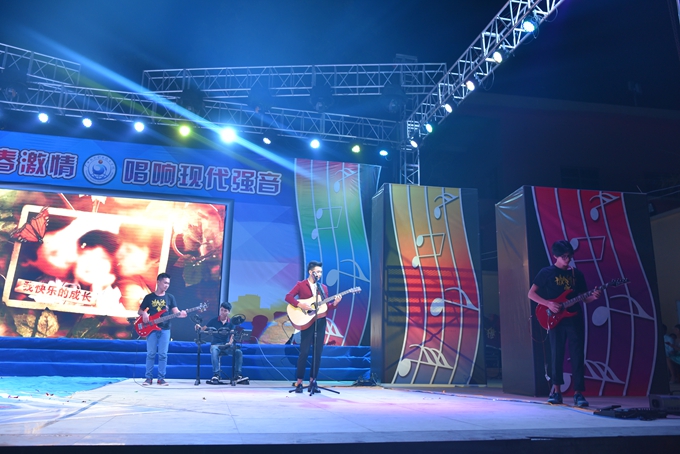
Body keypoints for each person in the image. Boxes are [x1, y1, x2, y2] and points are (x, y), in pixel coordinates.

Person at [528, 240, 601, 407]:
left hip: (574, 318)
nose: (567, 260)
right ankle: (557, 391)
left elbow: (585, 298)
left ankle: (578, 393)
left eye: (569, 256)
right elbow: (531, 293)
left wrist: (594, 296)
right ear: (555, 256)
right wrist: (548, 304)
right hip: (555, 319)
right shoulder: (546, 272)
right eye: (564, 257)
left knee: (577, 354)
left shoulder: (576, 274)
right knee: (556, 354)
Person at [285, 261, 341, 393]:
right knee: (304, 352)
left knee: (317, 353)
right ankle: (299, 382)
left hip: (320, 322)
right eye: (318, 271)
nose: (320, 274)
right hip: (307, 321)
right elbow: (288, 297)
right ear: (311, 272)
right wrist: (300, 305)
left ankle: (313, 381)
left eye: (321, 272)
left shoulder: (323, 288)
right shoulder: (301, 284)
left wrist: (335, 304)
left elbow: (325, 307)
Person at [138, 273, 186, 386]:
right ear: (158, 282)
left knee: (163, 354)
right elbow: (140, 310)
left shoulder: (170, 297)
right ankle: (148, 378)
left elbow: (175, 312)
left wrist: (181, 314)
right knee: (151, 353)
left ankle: (161, 378)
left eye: (168, 283)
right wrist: (144, 313)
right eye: (164, 283)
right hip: (151, 329)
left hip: (165, 329)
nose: (166, 285)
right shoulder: (149, 297)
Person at [196, 301, 247, 383]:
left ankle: (238, 375)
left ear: (228, 312)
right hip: (216, 345)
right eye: (221, 310)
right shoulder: (213, 321)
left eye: (225, 311)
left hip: (227, 345)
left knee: (238, 352)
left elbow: (232, 335)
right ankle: (216, 375)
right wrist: (198, 327)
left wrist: (229, 343)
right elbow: (203, 328)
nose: (222, 312)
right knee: (214, 349)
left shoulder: (231, 322)